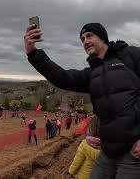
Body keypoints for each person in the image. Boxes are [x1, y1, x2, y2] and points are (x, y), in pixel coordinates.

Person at [24, 22, 140, 178]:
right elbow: (62, 77)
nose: (85, 41)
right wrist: (33, 53)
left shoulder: (130, 56)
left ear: (103, 37)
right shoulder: (92, 74)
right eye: (82, 39)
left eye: (90, 35)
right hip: (108, 151)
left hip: (134, 153)